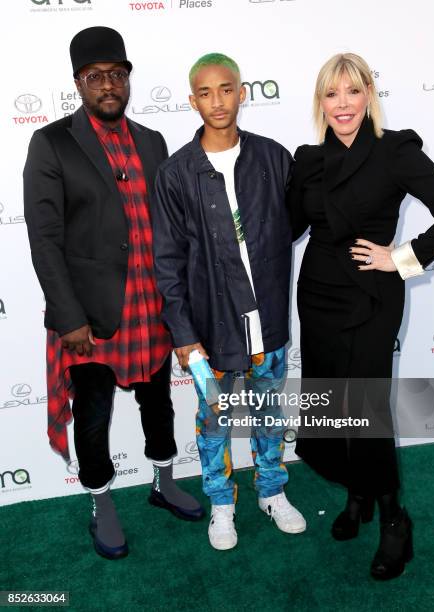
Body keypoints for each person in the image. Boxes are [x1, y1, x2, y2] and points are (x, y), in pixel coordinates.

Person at [23, 26, 204, 561]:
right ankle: (102, 504)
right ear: (78, 82)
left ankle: (163, 482)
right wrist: (67, 315)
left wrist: (181, 304)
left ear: (128, 80)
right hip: (90, 314)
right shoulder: (52, 141)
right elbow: (44, 236)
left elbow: (171, 228)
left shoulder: (152, 141)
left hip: (152, 306)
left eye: (117, 75)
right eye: (96, 76)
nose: (108, 85)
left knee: (159, 402)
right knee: (95, 412)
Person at [287, 52, 434, 580]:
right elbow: (287, 227)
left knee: (366, 409)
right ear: (321, 102)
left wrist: (401, 257)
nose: (343, 104)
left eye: (352, 92)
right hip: (317, 293)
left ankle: (393, 520)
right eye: (332, 94)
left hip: (370, 297)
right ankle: (357, 495)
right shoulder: (307, 160)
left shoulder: (394, 151)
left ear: (368, 96)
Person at [152, 53, 306, 550]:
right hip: (208, 329)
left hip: (270, 325)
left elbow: (293, 225)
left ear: (243, 92)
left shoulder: (273, 157)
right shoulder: (176, 173)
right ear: (192, 99)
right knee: (214, 420)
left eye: (226, 89)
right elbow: (167, 261)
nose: (217, 101)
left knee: (267, 413)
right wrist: (183, 336)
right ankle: (221, 502)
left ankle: (271, 491)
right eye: (205, 91)